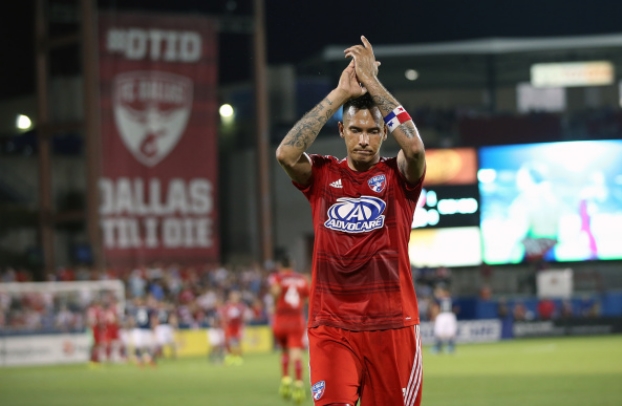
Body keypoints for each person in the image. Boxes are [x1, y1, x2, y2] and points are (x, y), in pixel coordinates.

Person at [275, 36, 426, 406]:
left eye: (373, 131)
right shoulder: (324, 175)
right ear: (342, 131)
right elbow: (286, 153)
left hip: (392, 325)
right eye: (355, 130)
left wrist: (372, 83)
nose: (363, 140)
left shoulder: (398, 179)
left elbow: (416, 149)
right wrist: (340, 95)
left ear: (383, 133)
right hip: (332, 327)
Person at [268, 254, 310, 404]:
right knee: (296, 353)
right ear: (292, 265)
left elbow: (275, 292)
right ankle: (298, 384)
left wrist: (274, 303)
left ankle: (285, 379)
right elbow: (308, 296)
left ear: (280, 266)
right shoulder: (302, 279)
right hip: (296, 319)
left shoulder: (278, 278)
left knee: (284, 350)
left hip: (280, 319)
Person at [219, 290, 250, 366]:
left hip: (237, 326)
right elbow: (223, 315)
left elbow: (244, 316)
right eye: (233, 296)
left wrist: (243, 324)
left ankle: (238, 357)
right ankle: (229, 357)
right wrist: (224, 322)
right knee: (228, 342)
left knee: (237, 342)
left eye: (236, 296)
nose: (235, 297)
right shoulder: (227, 305)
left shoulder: (241, 306)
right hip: (229, 326)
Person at [431, 285, 457, 354]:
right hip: (448, 315)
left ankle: (440, 347)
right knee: (446, 331)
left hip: (442, 315)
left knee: (444, 331)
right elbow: (456, 309)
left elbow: (435, 308)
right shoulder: (451, 299)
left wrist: (434, 316)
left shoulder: (439, 300)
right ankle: (446, 347)